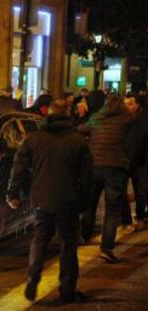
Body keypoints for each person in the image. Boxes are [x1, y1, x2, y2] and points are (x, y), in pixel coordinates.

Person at [8, 99, 93, 303]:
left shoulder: (34, 139)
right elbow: (87, 177)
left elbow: (18, 168)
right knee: (68, 245)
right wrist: (83, 202)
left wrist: (13, 193)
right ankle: (67, 290)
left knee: (39, 239)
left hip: (41, 199)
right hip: (68, 201)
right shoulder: (79, 141)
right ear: (68, 114)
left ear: (48, 114)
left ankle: (33, 276)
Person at [78, 96, 133, 263]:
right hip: (115, 167)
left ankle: (85, 235)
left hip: (95, 165)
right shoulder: (127, 119)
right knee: (112, 209)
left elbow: (81, 128)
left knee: (90, 202)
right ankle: (106, 247)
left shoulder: (97, 118)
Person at [121, 93, 148, 230]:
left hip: (140, 160)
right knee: (122, 190)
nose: (127, 107)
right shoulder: (123, 117)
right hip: (125, 159)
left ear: (137, 104)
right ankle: (126, 219)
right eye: (125, 104)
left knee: (140, 190)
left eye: (130, 104)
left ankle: (140, 216)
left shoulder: (144, 117)